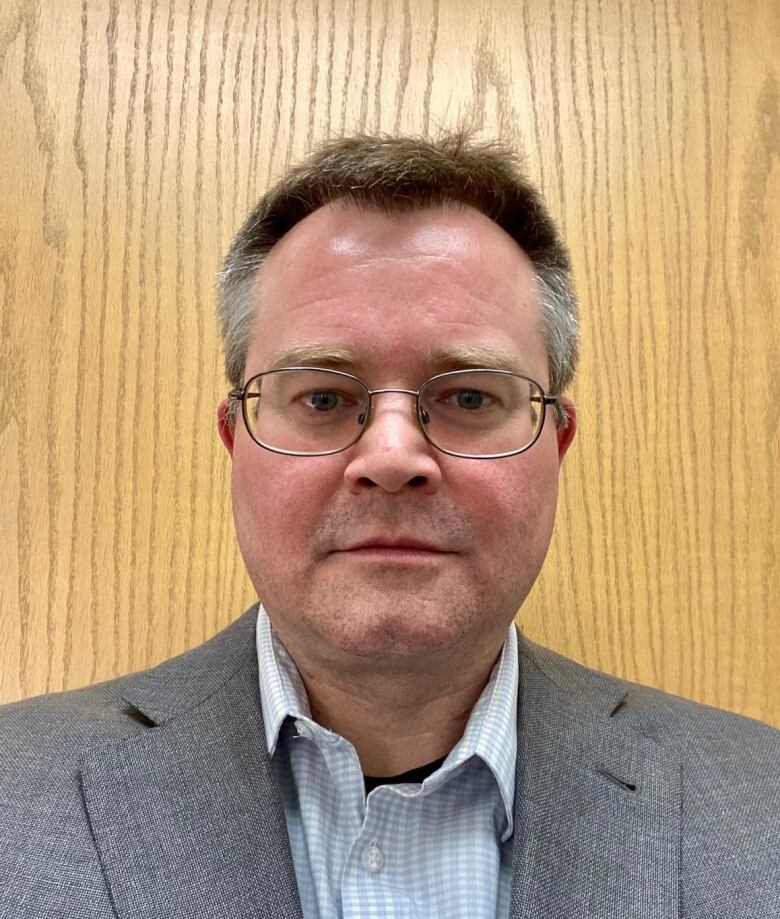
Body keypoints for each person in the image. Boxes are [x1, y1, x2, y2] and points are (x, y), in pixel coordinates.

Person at [1, 132, 778, 919]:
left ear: (557, 445)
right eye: (323, 397)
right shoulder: (15, 794)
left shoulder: (762, 810)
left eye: (471, 397)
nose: (394, 454)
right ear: (235, 442)